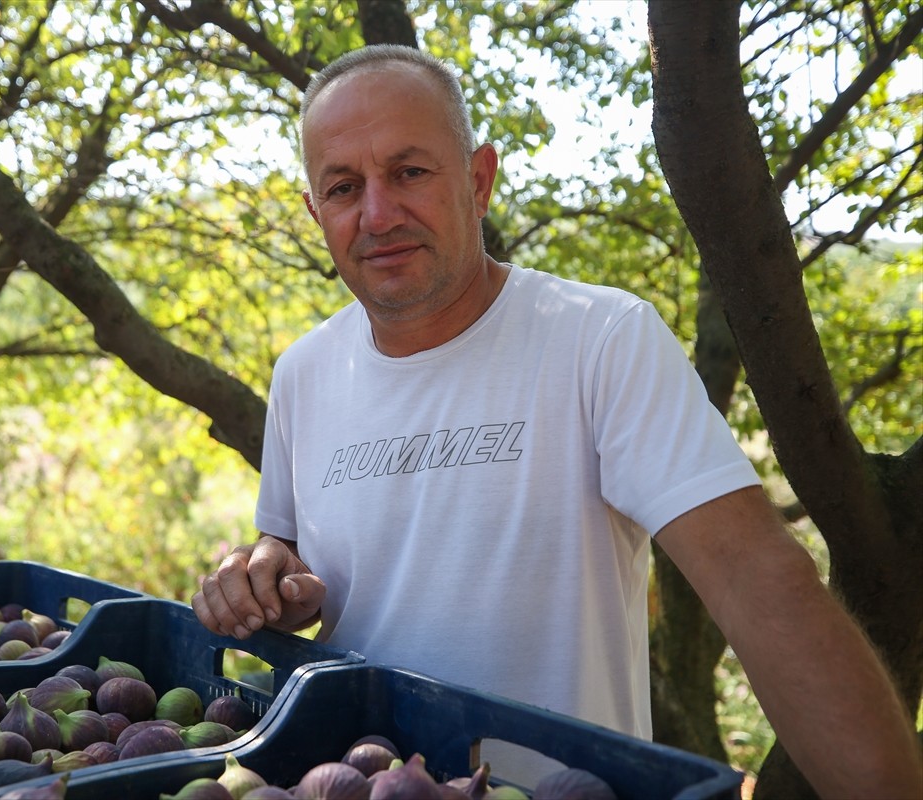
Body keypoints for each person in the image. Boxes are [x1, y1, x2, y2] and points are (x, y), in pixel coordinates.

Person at [192, 44, 923, 797]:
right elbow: (292, 557)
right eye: (344, 187)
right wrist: (265, 579)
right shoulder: (303, 375)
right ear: (317, 212)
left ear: (479, 180)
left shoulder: (601, 339)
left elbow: (754, 575)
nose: (378, 213)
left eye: (410, 172)